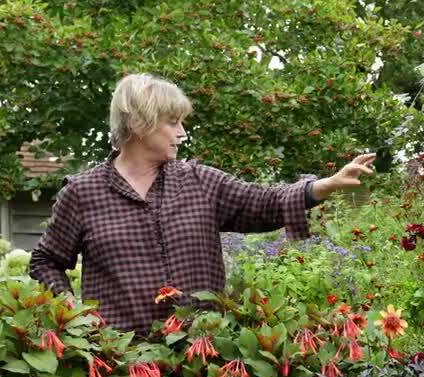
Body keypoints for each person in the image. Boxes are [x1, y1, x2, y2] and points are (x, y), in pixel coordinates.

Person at [28, 73, 374, 335]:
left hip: (201, 363)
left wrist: (323, 186)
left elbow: (262, 202)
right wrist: (76, 314)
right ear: (137, 123)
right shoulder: (83, 193)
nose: (182, 133)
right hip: (122, 368)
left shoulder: (200, 181)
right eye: (172, 122)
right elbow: (46, 261)